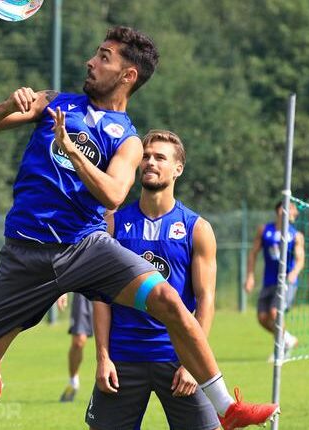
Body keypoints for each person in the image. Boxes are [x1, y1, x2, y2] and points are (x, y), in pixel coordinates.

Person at [0, 25, 278, 429]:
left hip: (86, 248)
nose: (91, 62)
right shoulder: (55, 103)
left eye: (104, 57)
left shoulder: (128, 140)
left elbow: (113, 194)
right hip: (27, 251)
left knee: (168, 299)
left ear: (128, 76)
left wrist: (73, 152)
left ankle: (225, 407)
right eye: (96, 54)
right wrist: (8, 105)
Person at [85, 130, 220, 430]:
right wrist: (102, 358)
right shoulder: (112, 225)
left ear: (177, 169)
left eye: (160, 157)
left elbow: (206, 298)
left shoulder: (196, 228)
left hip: (177, 358)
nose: (150, 162)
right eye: (146, 156)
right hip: (123, 358)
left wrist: (191, 363)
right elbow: (101, 298)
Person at [244, 201, 305, 358]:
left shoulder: (296, 235)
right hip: (269, 281)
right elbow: (253, 253)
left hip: (286, 282)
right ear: (280, 210)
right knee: (263, 318)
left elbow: (300, 259)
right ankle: (287, 339)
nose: (296, 213)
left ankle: (281, 350)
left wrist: (294, 273)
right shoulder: (265, 230)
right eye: (292, 209)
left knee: (274, 312)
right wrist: (250, 275)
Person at [57, 292, 93, 402]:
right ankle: (73, 383)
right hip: (84, 290)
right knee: (78, 342)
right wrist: (62, 292)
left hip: (110, 285)